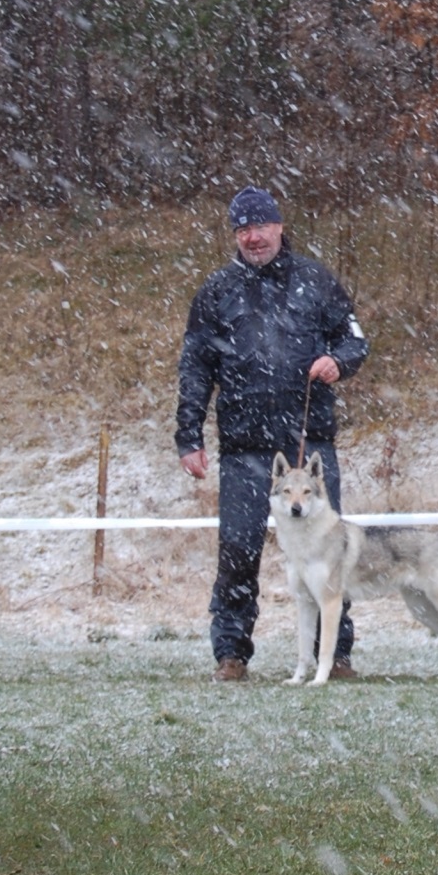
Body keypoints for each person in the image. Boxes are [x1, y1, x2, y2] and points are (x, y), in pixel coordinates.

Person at [175, 186, 369, 681]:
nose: (253, 237)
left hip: (311, 444)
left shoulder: (316, 281)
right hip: (243, 449)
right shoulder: (217, 291)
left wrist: (337, 361)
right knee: (238, 552)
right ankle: (231, 655)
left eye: (260, 227)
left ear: (280, 227)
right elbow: (196, 367)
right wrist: (189, 436)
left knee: (330, 553)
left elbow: (355, 341)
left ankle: (336, 655)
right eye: (243, 229)